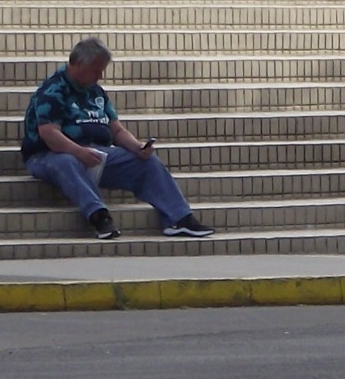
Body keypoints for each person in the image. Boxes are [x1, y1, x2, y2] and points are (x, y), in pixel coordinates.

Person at [21, 38, 212, 241]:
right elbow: (49, 133)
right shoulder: (53, 90)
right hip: (49, 155)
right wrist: (79, 152)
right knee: (67, 161)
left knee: (146, 162)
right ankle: (99, 217)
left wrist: (137, 147)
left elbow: (117, 131)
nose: (100, 76)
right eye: (96, 70)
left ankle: (179, 218)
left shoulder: (96, 92)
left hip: (95, 153)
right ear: (78, 65)